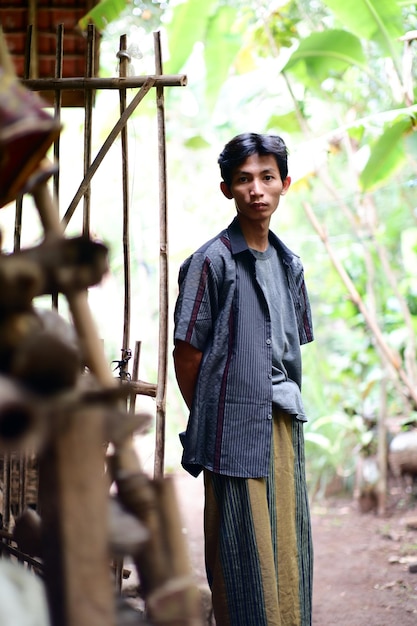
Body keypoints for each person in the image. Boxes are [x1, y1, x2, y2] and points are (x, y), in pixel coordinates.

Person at [173, 132, 314, 626]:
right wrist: (213, 415)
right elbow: (186, 353)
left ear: (284, 185)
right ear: (227, 189)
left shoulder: (291, 265)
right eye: (244, 179)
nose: (256, 189)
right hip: (232, 431)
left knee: (287, 547)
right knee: (239, 557)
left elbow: (293, 350)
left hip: (281, 422)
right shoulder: (209, 263)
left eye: (266, 178)